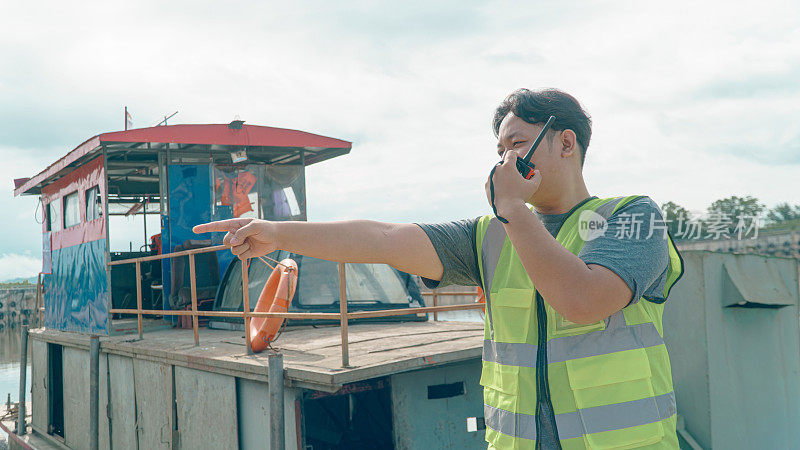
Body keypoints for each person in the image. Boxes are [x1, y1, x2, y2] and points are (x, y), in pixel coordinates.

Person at [193, 88, 683, 449]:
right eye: (498, 152)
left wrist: (512, 208)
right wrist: (277, 233)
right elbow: (384, 238)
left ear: (566, 143)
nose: (502, 162)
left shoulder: (634, 216)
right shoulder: (489, 236)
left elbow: (584, 300)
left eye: (516, 145)